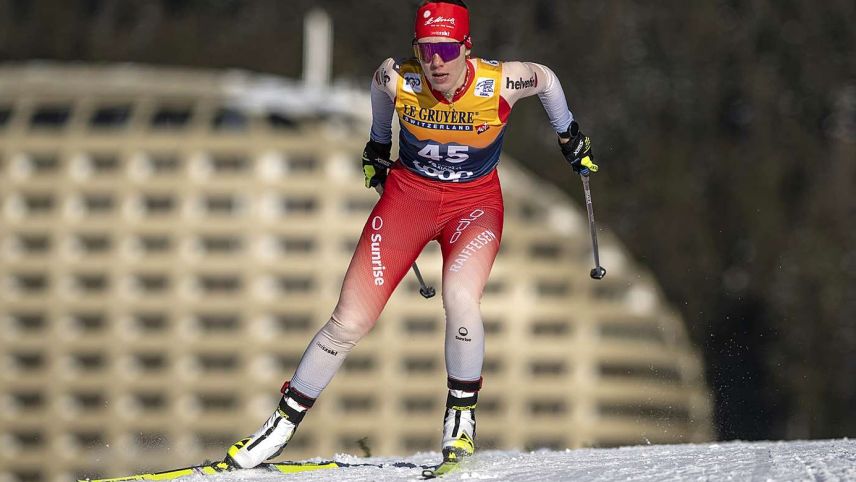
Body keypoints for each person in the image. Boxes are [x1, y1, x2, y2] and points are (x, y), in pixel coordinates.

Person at [225, 0, 598, 469]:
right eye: (426, 50)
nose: (436, 62)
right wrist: (378, 143)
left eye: (447, 49)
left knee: (460, 298)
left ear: (466, 47)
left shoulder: (501, 81)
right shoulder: (398, 78)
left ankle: (460, 418)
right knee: (348, 320)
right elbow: (379, 89)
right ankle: (279, 427)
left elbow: (546, 79)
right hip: (409, 200)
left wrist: (568, 135)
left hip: (473, 205)